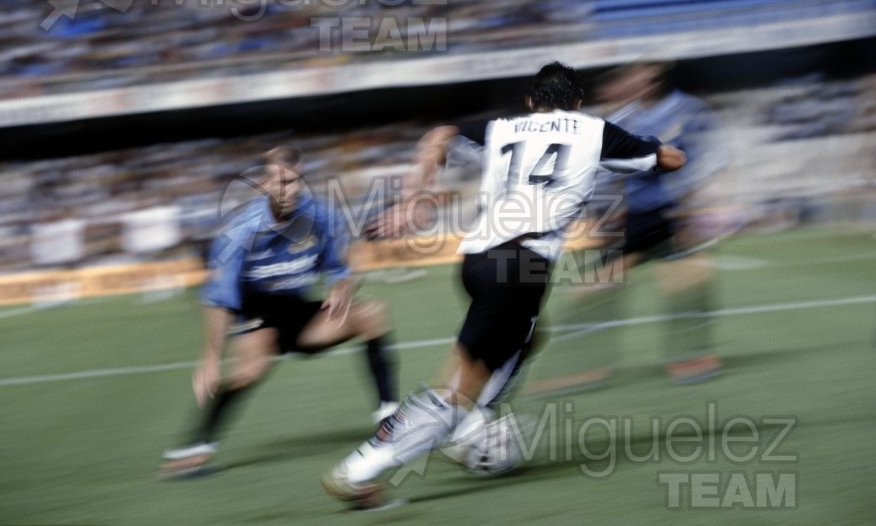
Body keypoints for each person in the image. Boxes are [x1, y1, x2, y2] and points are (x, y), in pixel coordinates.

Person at [321, 61, 686, 508]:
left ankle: (471, 422)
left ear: (532, 103)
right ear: (576, 102)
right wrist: (648, 144)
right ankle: (361, 469)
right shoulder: (595, 129)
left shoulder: (504, 128)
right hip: (522, 264)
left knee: (530, 335)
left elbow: (439, 135)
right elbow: (671, 159)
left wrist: (413, 200)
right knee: (457, 387)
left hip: (478, 258)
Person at [159, 145, 398, 476]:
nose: (292, 189)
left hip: (299, 313)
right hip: (260, 317)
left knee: (372, 313)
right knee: (251, 370)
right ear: (263, 183)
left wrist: (344, 284)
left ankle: (388, 420)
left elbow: (343, 265)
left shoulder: (322, 215)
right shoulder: (240, 230)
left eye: (297, 180)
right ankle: (197, 447)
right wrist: (211, 358)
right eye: (282, 181)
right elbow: (219, 298)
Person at [573, 62, 725, 385]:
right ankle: (587, 364)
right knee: (596, 287)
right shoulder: (621, 120)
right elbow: (601, 169)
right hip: (635, 217)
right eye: (635, 77)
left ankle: (692, 358)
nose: (641, 83)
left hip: (671, 212)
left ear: (657, 80)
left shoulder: (686, 111)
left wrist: (687, 205)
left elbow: (705, 159)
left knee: (689, 284)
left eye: (649, 77)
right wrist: (602, 213)